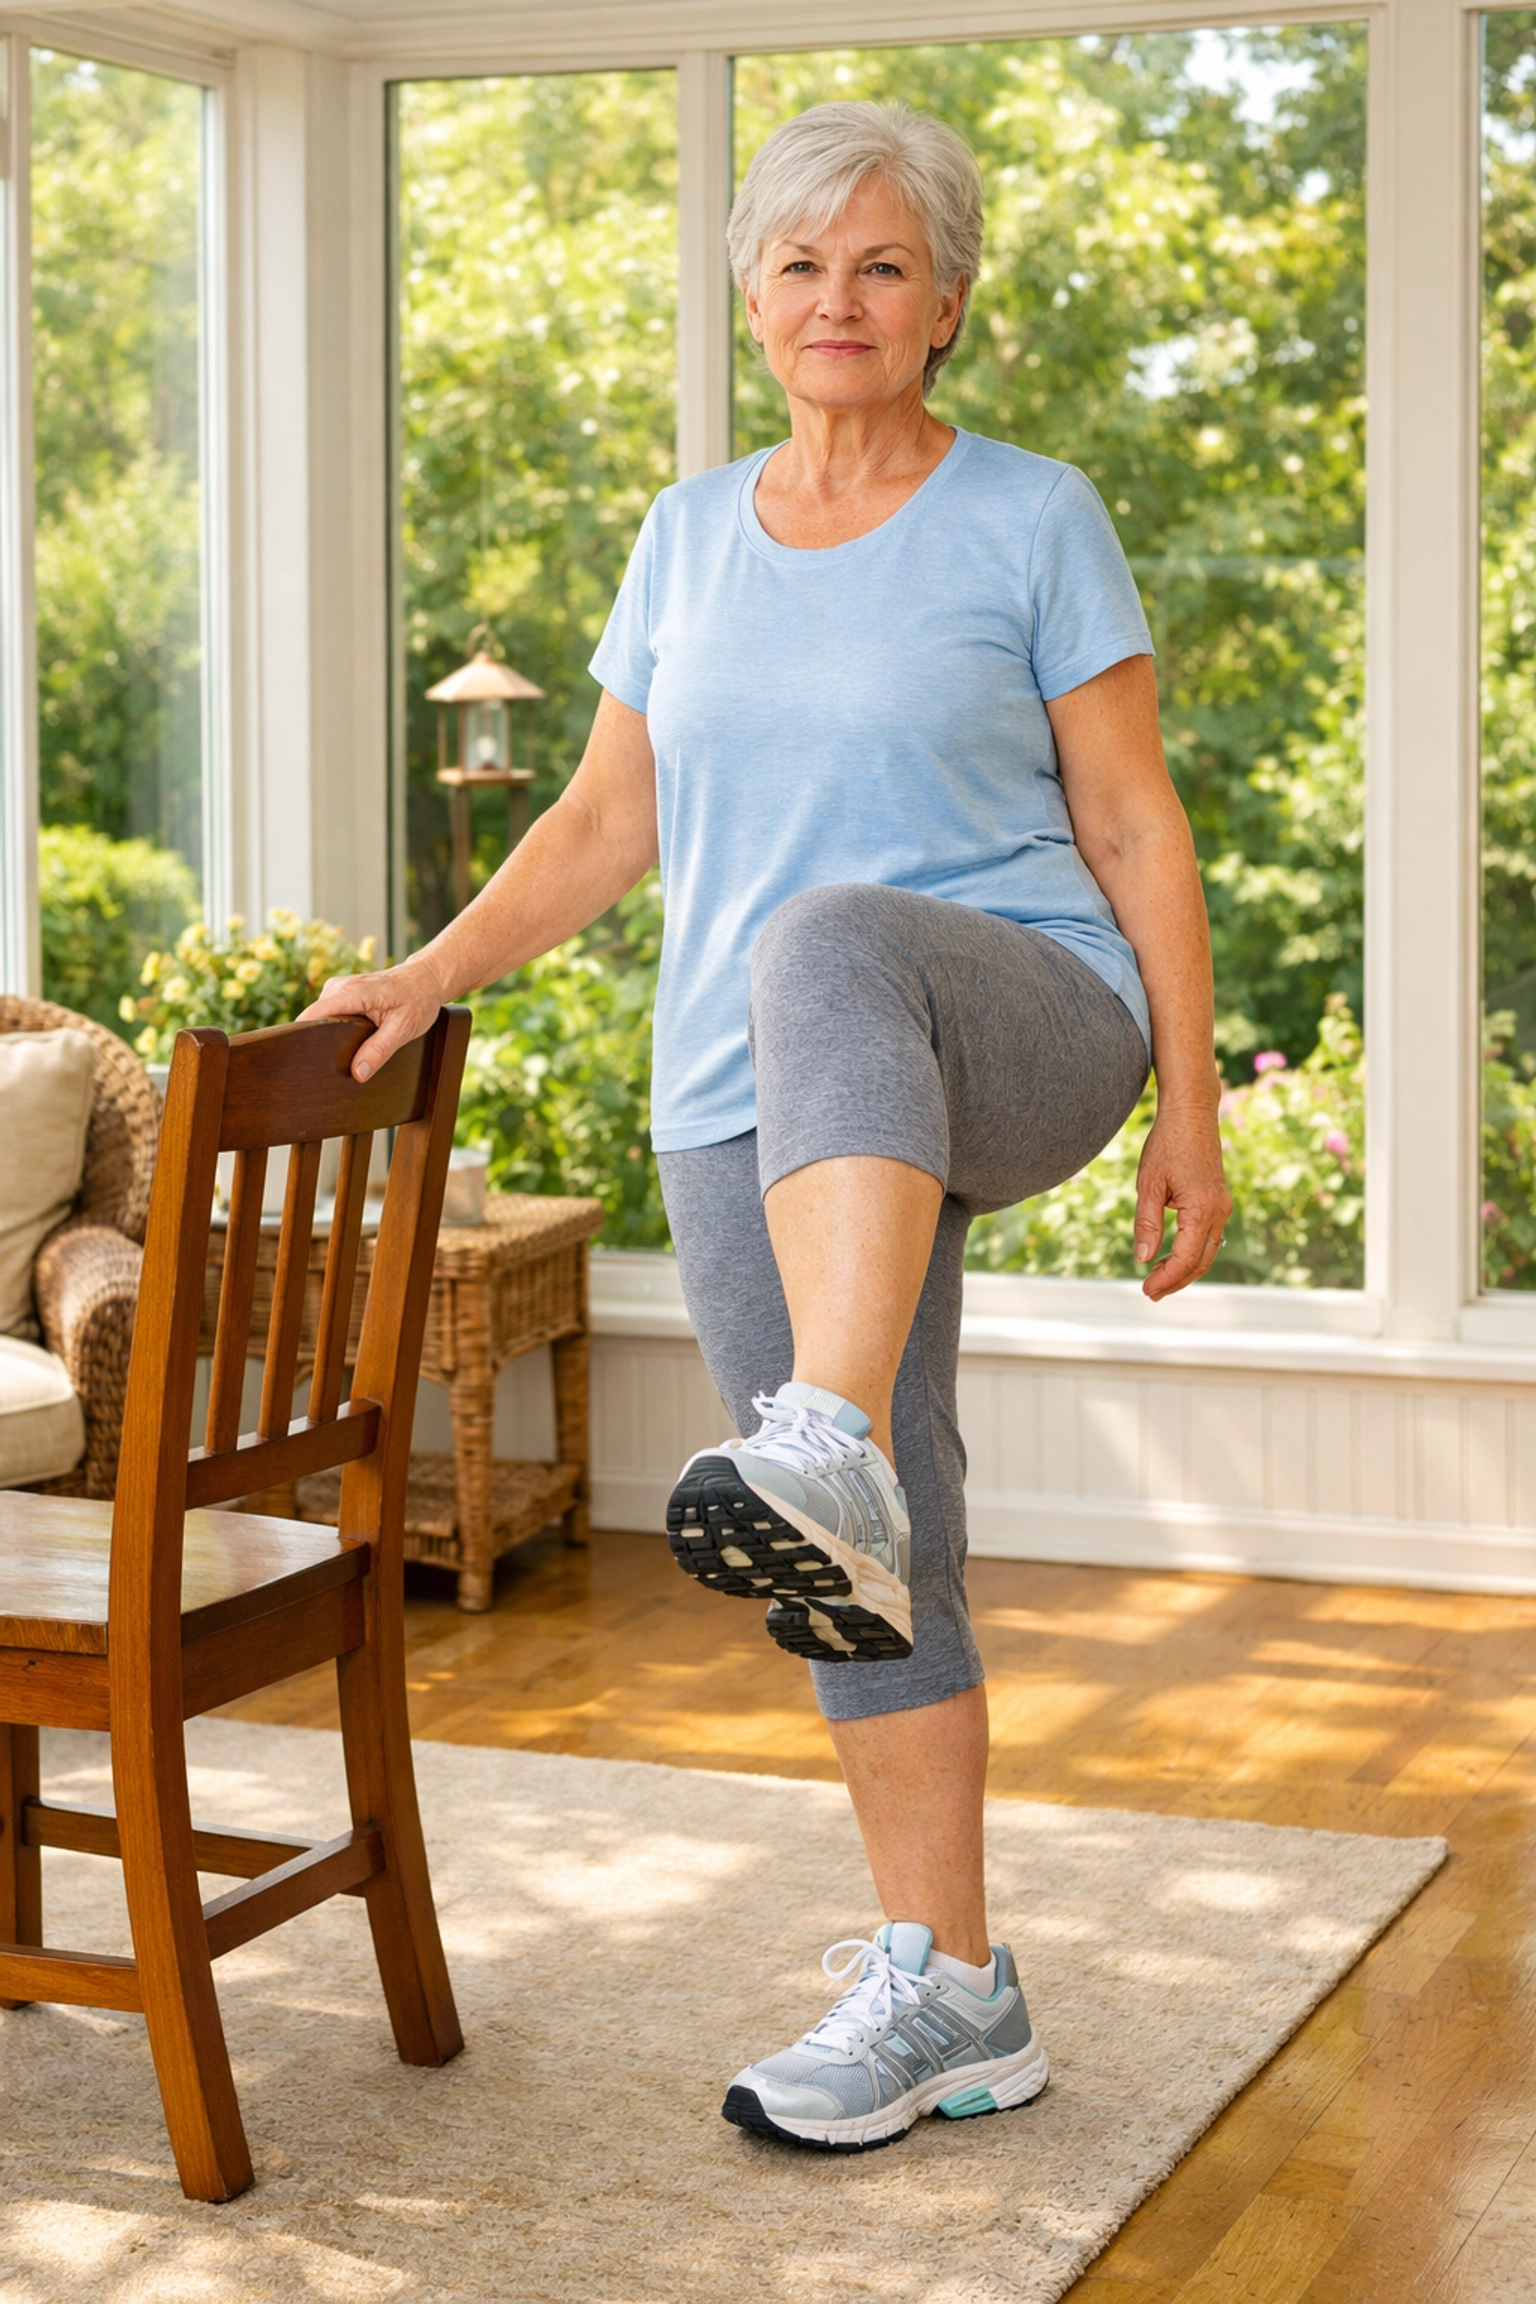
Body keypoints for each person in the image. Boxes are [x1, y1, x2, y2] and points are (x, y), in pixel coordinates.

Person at [308, 100, 1232, 2155]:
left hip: (1023, 1010)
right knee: (856, 1559)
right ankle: (955, 1991)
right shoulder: (686, 535)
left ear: (948, 306)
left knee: (823, 949)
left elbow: (1132, 817)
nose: (841, 299)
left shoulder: (1031, 515)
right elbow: (601, 826)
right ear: (752, 295)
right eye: (805, 264)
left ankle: (816, 1428)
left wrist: (1193, 1099)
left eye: (884, 264)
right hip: (754, 1104)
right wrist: (427, 972)